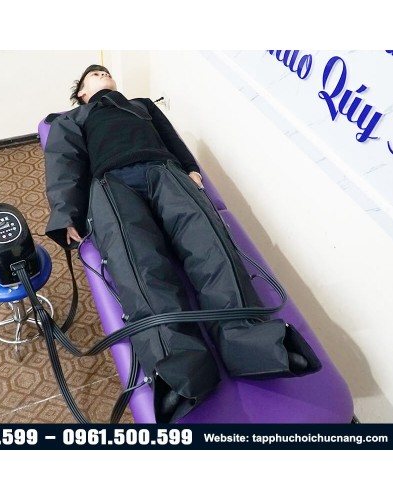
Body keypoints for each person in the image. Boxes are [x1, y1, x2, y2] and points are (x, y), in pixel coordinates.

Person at [43, 64, 316, 423]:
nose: (103, 74)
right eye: (95, 74)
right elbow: (64, 161)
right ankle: (177, 364)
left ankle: (252, 343)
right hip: (110, 183)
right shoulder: (73, 118)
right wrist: (66, 213)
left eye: (106, 71)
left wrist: (190, 168)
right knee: (138, 265)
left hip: (164, 170)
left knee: (210, 246)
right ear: (81, 92)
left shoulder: (141, 105)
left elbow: (171, 139)